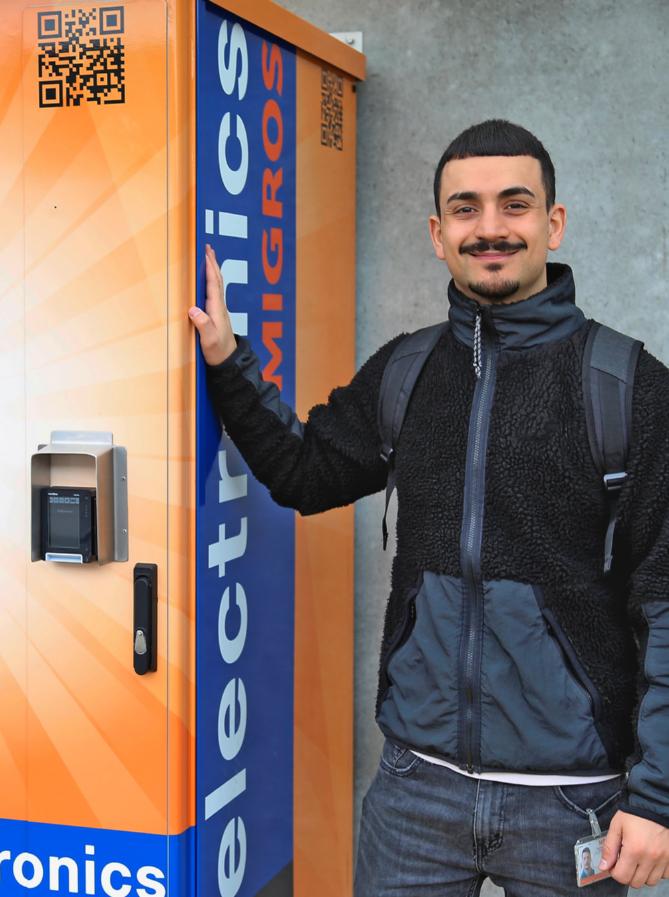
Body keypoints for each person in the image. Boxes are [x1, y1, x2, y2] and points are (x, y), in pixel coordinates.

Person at [188, 119, 669, 896]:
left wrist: (655, 798)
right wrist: (225, 359)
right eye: (465, 208)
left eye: (514, 204)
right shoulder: (407, 369)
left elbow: (664, 597)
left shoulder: (627, 385)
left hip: (573, 801)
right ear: (437, 233)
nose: (489, 227)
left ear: (552, 223)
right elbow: (305, 473)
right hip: (415, 792)